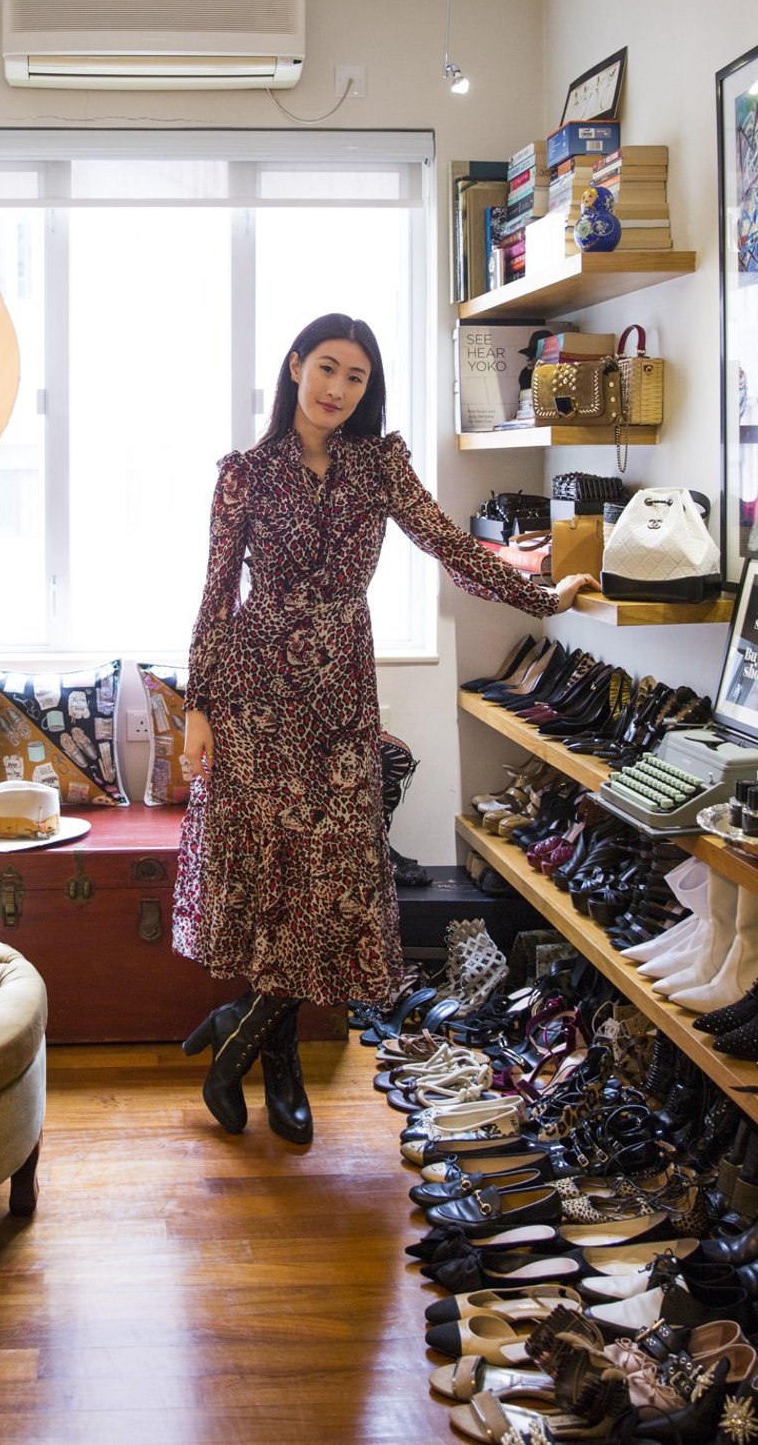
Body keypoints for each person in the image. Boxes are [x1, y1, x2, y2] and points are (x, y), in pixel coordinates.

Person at [173, 313, 597, 1145]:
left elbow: (447, 543)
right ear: (295, 366)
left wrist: (541, 595)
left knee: (329, 882)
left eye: (356, 376)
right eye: (327, 368)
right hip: (256, 694)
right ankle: (278, 1060)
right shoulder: (243, 475)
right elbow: (216, 597)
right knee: (274, 877)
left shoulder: (379, 465)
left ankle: (239, 1033)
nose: (337, 388)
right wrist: (198, 706)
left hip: (338, 696)